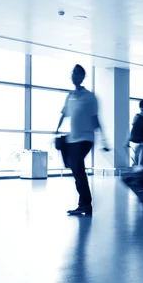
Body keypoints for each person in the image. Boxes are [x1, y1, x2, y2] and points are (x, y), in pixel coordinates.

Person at [56, 64, 109, 215]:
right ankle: (83, 204)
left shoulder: (90, 97)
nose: (73, 75)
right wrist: (56, 130)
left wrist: (104, 139)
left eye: (76, 73)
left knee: (77, 167)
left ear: (82, 76)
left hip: (86, 138)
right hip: (72, 139)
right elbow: (64, 114)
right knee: (77, 170)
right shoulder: (70, 96)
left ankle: (86, 203)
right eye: (72, 72)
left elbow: (95, 119)